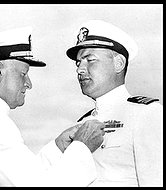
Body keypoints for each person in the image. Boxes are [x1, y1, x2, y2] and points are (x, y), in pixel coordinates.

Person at [0, 26, 105, 187]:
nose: (28, 84)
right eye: (23, 74)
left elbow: (26, 175)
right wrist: (82, 147)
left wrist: (57, 148)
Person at [66, 20, 163, 187]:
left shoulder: (146, 114)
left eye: (90, 60)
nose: (79, 69)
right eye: (78, 62)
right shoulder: (82, 123)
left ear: (119, 63)